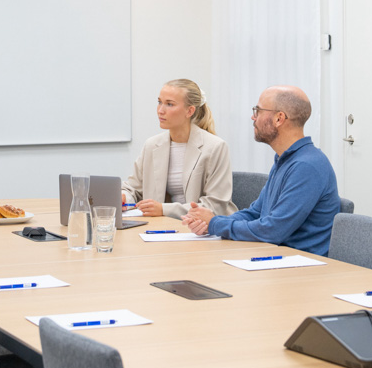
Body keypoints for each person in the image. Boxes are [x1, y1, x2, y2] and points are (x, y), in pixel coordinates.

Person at [183, 85, 339, 255]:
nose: (253, 117)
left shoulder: (306, 166)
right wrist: (210, 222)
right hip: (275, 257)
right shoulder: (285, 159)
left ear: (279, 118)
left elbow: (272, 230)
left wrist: (215, 223)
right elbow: (255, 213)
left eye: (257, 111)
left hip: (302, 268)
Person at [121, 79, 236, 219]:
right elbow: (133, 188)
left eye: (169, 104)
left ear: (190, 111)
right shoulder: (152, 145)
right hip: (162, 228)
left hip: (204, 230)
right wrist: (124, 197)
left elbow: (215, 204)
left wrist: (163, 209)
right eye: (159, 102)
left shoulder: (215, 147)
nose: (160, 110)